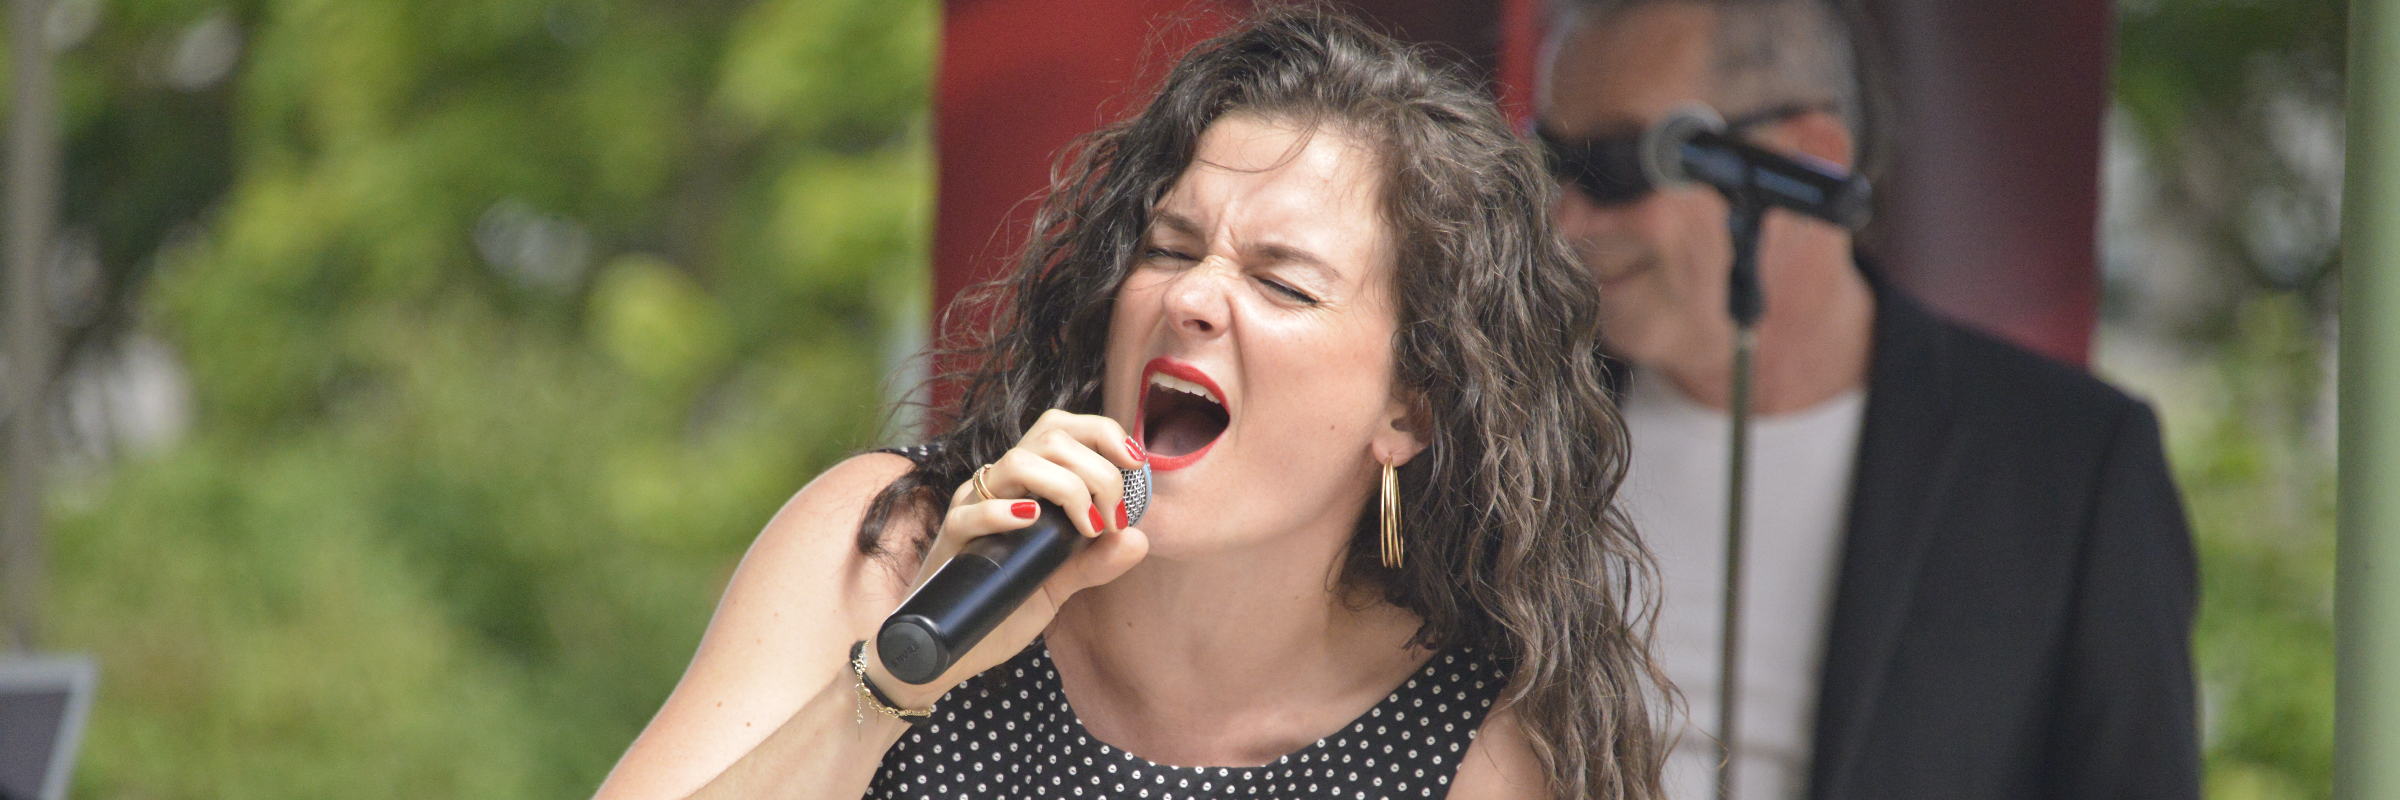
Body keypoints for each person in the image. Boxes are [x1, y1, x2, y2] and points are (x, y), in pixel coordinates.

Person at [593, 10, 1670, 800]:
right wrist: (893, 681)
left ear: (1413, 409)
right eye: (1169, 247)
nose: (1195, 296)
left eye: (1283, 282)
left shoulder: (1474, 742)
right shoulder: (888, 549)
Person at [1535, 0, 2201, 798]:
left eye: (1619, 162)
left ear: (1808, 158)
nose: (1568, 220)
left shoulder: (2068, 462)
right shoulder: (1515, 421)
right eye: (1552, 163)